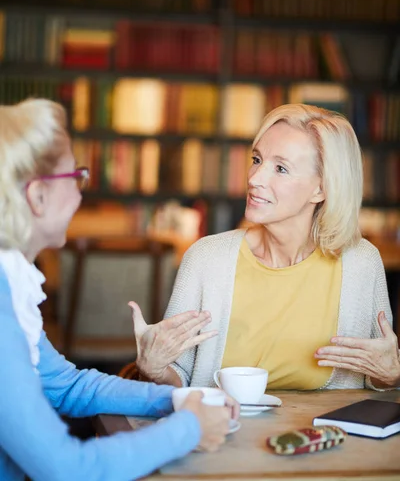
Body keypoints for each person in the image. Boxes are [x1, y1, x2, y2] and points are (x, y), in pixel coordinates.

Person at [0, 98, 236, 481]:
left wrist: (177, 400)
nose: (80, 192)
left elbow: (68, 386)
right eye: (75, 177)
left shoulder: (11, 283)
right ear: (37, 196)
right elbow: (68, 470)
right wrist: (189, 429)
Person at [127, 103, 400, 392]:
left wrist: (391, 376)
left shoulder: (362, 262)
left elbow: (378, 384)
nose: (254, 179)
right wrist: (154, 369)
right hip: (224, 432)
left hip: (326, 436)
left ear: (321, 189)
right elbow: (176, 378)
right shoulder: (205, 258)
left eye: (280, 169)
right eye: (256, 160)